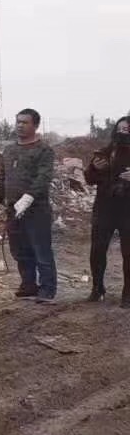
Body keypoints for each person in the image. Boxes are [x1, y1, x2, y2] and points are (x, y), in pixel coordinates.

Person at [0, 107, 58, 302]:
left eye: (25, 122)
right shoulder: (10, 150)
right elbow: (3, 176)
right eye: (18, 121)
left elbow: (43, 177)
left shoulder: (44, 150)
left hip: (36, 209)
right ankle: (28, 284)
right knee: (19, 249)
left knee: (41, 249)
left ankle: (47, 289)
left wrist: (28, 197)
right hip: (13, 208)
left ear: (35, 125)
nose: (20, 125)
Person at [85, 116, 130, 306]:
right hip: (104, 208)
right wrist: (94, 168)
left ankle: (128, 294)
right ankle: (97, 288)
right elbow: (89, 178)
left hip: (128, 210)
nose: (123, 132)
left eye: (127, 129)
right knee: (97, 250)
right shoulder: (105, 152)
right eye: (120, 129)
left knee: (128, 253)